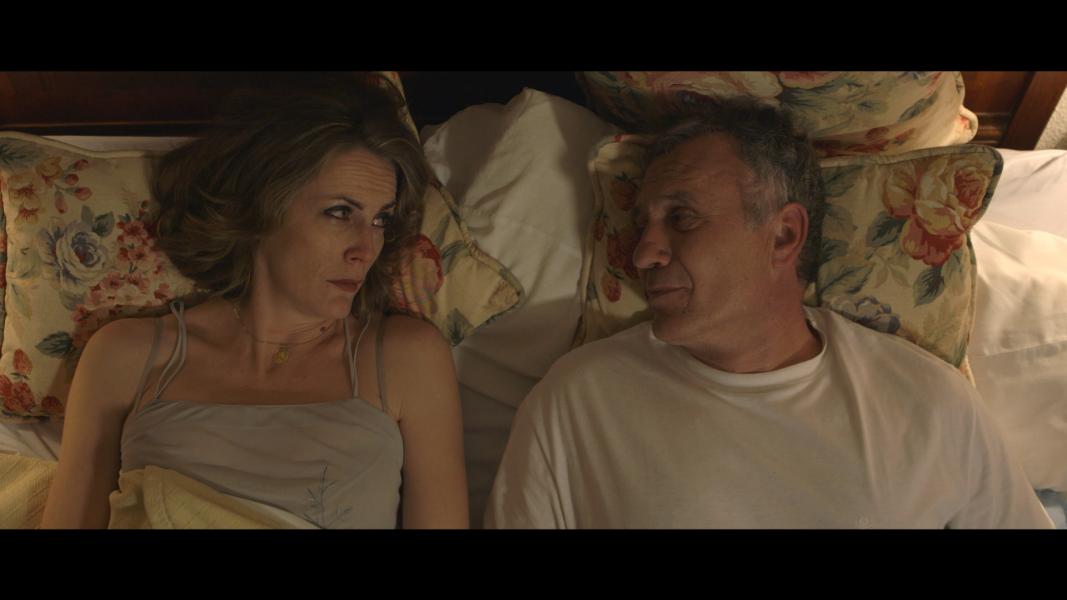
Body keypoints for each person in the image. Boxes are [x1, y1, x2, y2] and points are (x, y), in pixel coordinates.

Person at [485, 96, 1054, 529]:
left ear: (783, 235)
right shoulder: (578, 400)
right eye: (642, 225)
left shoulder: (927, 402)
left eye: (681, 218)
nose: (643, 254)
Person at [41, 76, 469, 529]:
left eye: (381, 220)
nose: (365, 248)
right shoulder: (126, 355)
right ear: (262, 205)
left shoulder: (406, 358)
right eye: (340, 212)